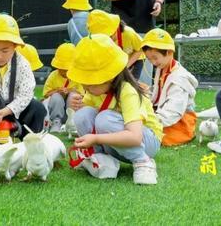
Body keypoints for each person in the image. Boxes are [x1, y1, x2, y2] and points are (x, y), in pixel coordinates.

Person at [70, 34, 162, 185]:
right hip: (116, 142)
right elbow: (85, 116)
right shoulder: (95, 91)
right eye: (84, 83)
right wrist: (75, 104)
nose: (86, 88)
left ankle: (143, 162)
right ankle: (101, 159)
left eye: (91, 83)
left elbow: (135, 137)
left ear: (110, 77)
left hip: (146, 142)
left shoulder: (128, 91)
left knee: (104, 118)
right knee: (82, 115)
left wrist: (96, 139)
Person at [0, 14, 46, 138]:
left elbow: (25, 94)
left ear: (15, 46)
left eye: (4, 51)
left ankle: (31, 141)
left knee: (37, 108)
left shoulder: (22, 65)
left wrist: (7, 111)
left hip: (19, 107)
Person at [141, 28, 198, 146]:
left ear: (169, 52)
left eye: (155, 57)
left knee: (147, 135)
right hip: (164, 115)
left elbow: (174, 111)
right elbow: (160, 97)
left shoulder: (180, 78)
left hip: (180, 121)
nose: (153, 62)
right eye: (149, 59)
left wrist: (151, 121)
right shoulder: (162, 69)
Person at [86, 9, 145, 81]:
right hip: (117, 61)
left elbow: (139, 50)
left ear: (115, 28)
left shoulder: (128, 33)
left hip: (134, 60)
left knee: (130, 83)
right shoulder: (99, 40)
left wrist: (125, 67)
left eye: (108, 35)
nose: (107, 38)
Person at [42, 43, 83, 133]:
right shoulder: (53, 75)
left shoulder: (77, 76)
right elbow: (45, 95)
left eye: (66, 70)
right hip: (56, 110)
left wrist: (69, 91)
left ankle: (73, 122)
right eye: (61, 69)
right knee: (56, 96)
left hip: (72, 110)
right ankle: (56, 122)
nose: (63, 72)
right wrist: (57, 91)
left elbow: (82, 94)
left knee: (74, 96)